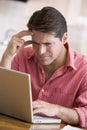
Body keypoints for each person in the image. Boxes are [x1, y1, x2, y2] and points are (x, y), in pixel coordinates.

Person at [0, 6, 87, 128]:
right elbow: (2, 97)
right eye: (35, 43)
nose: (40, 51)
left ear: (64, 38)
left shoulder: (84, 69)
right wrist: (8, 55)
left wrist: (57, 110)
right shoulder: (22, 56)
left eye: (48, 44)